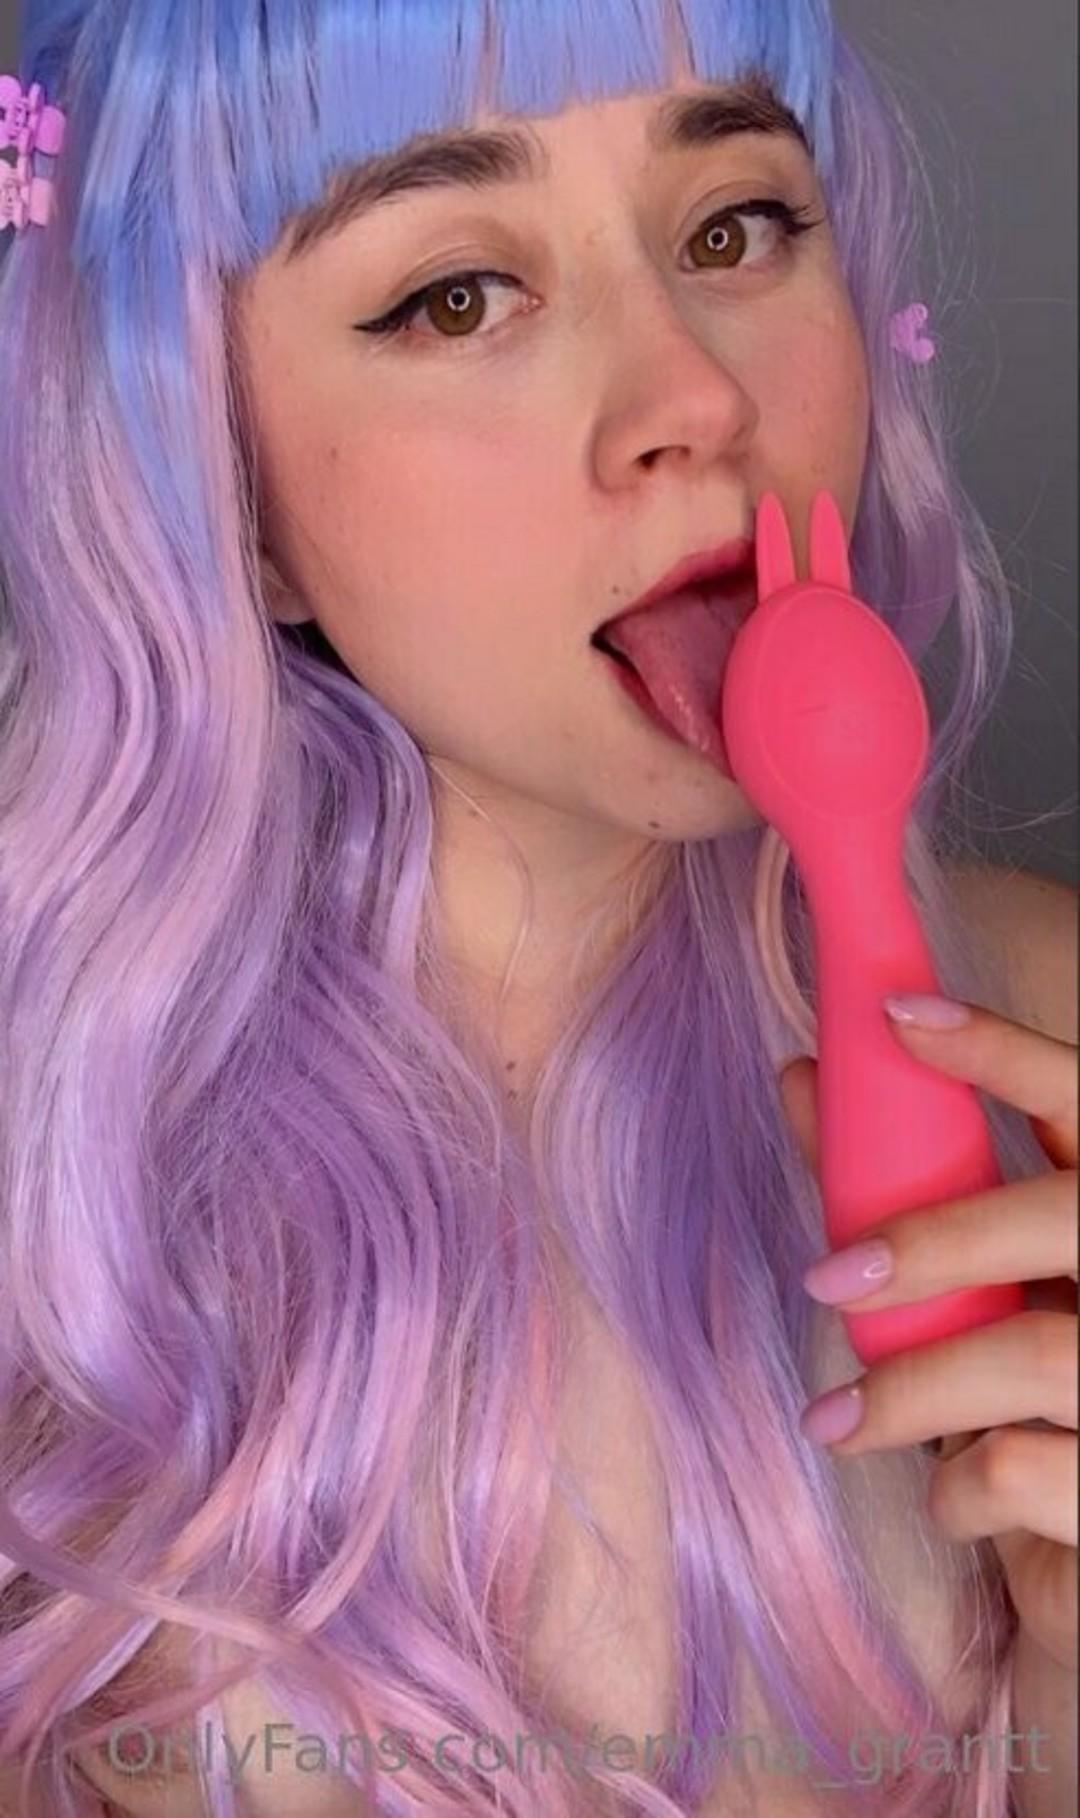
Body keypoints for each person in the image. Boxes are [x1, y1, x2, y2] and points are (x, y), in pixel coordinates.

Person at [0, 2, 1075, 1815]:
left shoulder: (1043, 1031)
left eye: (733, 225)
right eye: (456, 296)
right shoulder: (51, 1228)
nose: (696, 398)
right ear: (219, 481)